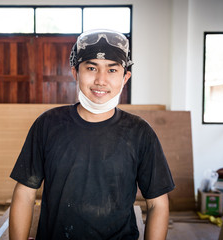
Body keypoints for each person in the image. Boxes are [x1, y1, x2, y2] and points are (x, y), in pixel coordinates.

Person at [9, 29, 175, 240]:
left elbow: (157, 204)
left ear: (125, 77)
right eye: (91, 68)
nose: (101, 80)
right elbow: (25, 192)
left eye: (112, 70)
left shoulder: (140, 133)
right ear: (75, 72)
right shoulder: (48, 125)